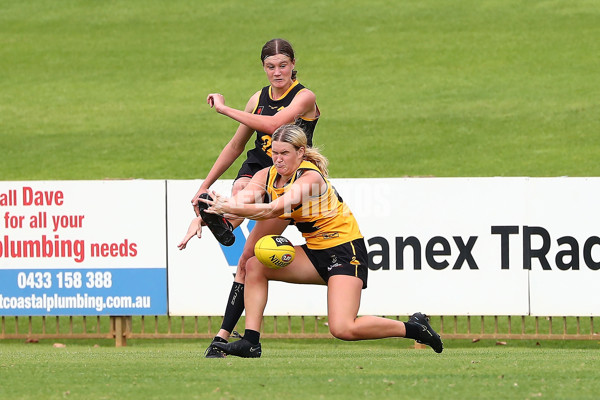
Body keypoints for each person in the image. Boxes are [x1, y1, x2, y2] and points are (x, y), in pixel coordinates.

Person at [181, 124, 444, 358]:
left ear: (300, 152)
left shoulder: (310, 178)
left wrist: (226, 207)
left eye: (285, 153)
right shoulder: (266, 175)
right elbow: (242, 202)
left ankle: (414, 328)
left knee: (343, 328)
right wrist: (207, 215)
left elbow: (274, 209)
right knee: (253, 265)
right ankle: (251, 342)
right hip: (315, 252)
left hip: (344, 251)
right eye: (274, 152)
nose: (278, 159)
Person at [189, 38, 320, 358]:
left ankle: (225, 219)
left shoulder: (304, 96)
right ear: (263, 67)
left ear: (293, 64)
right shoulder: (257, 98)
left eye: (283, 65)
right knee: (245, 203)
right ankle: (226, 337)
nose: (277, 72)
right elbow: (235, 147)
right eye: (270, 66)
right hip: (263, 172)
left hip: (292, 182)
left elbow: (276, 124)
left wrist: (223, 108)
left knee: (248, 252)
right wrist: (203, 187)